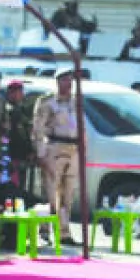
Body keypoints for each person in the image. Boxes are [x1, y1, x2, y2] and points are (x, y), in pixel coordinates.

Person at [32, 67, 82, 246]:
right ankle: (45, 230)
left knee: (68, 193)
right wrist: (40, 153)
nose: (68, 83)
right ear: (58, 81)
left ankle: (64, 232)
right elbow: (38, 129)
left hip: (72, 148)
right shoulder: (47, 102)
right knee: (51, 193)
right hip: (54, 147)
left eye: (70, 80)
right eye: (65, 79)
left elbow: (81, 127)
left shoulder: (76, 102)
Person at [3, 79, 36, 200]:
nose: (21, 94)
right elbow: (15, 135)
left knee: (20, 187)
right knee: (12, 188)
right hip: (12, 156)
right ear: (11, 93)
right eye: (17, 92)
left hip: (22, 156)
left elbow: (27, 132)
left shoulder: (22, 110)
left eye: (21, 91)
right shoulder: (8, 111)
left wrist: (30, 151)